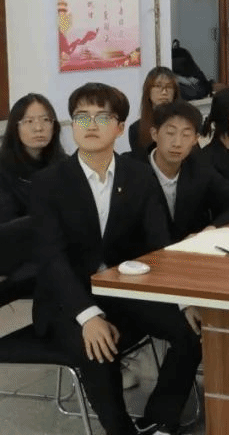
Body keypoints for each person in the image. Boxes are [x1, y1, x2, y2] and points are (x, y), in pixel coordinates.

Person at [30, 83, 201, 435]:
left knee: (190, 330)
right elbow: (51, 257)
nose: (91, 125)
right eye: (82, 117)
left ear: (120, 127)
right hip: (67, 299)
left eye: (102, 117)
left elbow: (159, 243)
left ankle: (160, 419)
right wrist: (88, 315)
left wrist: (183, 299)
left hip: (120, 289)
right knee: (99, 346)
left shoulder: (137, 174)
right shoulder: (48, 183)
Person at [146, 100, 229, 243]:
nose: (177, 143)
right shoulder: (133, 172)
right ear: (154, 134)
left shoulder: (199, 167)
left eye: (186, 135)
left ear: (195, 139)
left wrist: (211, 229)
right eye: (170, 133)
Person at [0, 94, 65, 293]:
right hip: (14, 251)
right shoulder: (2, 169)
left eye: (45, 120)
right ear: (15, 127)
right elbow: (7, 227)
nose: (39, 128)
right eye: (29, 121)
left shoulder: (66, 166)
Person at [127, 67, 179, 163]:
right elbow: (140, 165)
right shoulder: (136, 129)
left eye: (169, 87)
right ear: (148, 91)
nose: (164, 92)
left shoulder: (185, 124)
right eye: (158, 86)